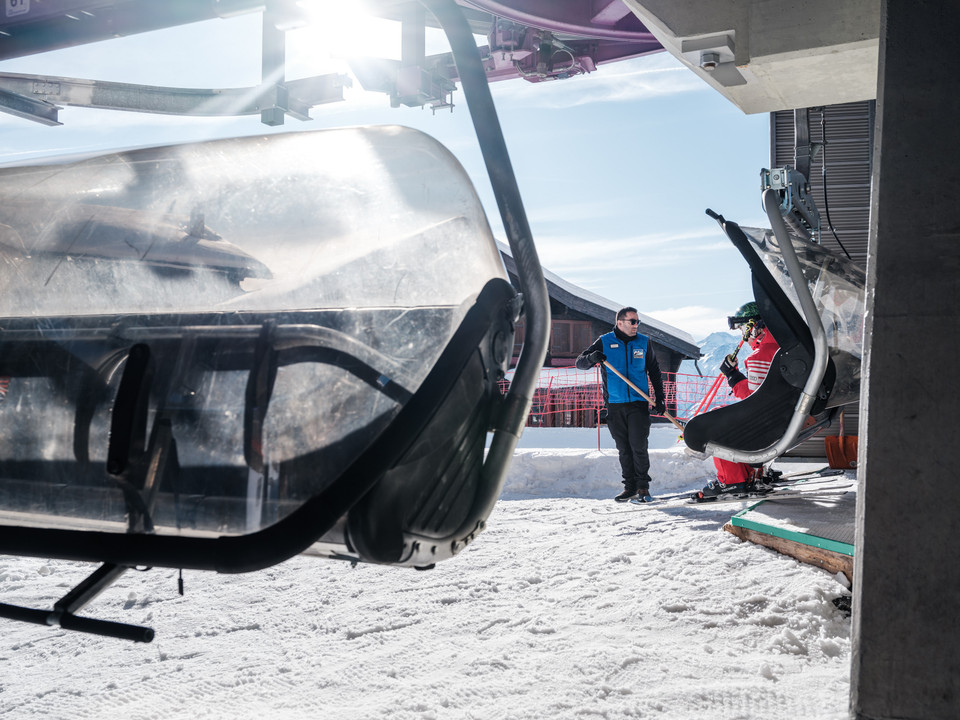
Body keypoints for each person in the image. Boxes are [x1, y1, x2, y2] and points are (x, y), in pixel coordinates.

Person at [577, 307, 665, 502]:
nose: (636, 325)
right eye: (633, 321)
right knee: (624, 448)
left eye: (637, 322)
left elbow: (655, 371)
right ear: (620, 323)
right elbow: (580, 363)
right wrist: (593, 358)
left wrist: (660, 398)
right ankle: (630, 487)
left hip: (639, 403)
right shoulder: (604, 342)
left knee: (638, 446)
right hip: (615, 405)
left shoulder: (644, 342)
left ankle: (643, 487)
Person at [695, 301, 780, 500]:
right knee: (727, 413)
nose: (743, 334)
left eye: (742, 328)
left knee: (716, 419)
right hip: (780, 420)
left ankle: (731, 480)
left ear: (754, 326)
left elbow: (755, 399)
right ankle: (751, 475)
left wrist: (732, 375)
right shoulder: (779, 347)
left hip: (767, 424)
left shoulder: (762, 354)